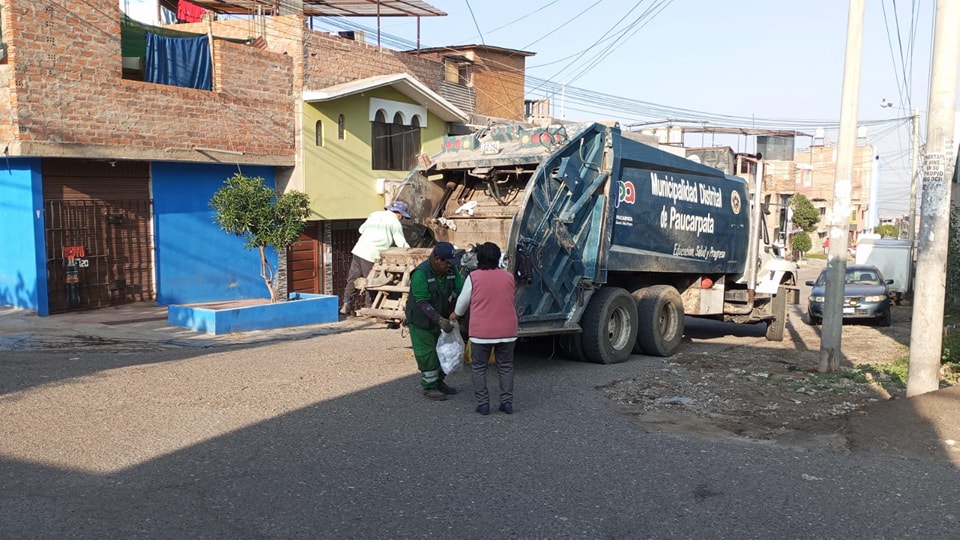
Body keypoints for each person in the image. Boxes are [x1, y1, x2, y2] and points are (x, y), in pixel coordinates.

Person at [450, 242, 518, 415]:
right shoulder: (509, 277)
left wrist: (455, 315)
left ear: (479, 258)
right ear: (497, 258)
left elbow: (462, 303)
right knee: (506, 366)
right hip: (508, 330)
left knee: (479, 367)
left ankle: (483, 404)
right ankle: (507, 403)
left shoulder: (474, 277)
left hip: (482, 332)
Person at [405, 242, 464, 401]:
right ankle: (429, 386)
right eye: (447, 262)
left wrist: (458, 312)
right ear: (437, 259)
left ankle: (439, 382)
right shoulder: (420, 274)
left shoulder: (451, 271)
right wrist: (439, 320)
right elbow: (422, 302)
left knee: (443, 351)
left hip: (443, 318)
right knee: (427, 353)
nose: (450, 266)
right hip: (421, 321)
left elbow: (462, 290)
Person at [341, 200, 411, 316]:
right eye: (402, 216)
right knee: (372, 283)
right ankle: (370, 309)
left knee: (353, 278)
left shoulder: (374, 214)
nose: (401, 219)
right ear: (399, 213)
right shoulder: (395, 222)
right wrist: (410, 252)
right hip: (372, 255)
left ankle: (346, 304)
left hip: (359, 250)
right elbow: (401, 244)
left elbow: (361, 230)